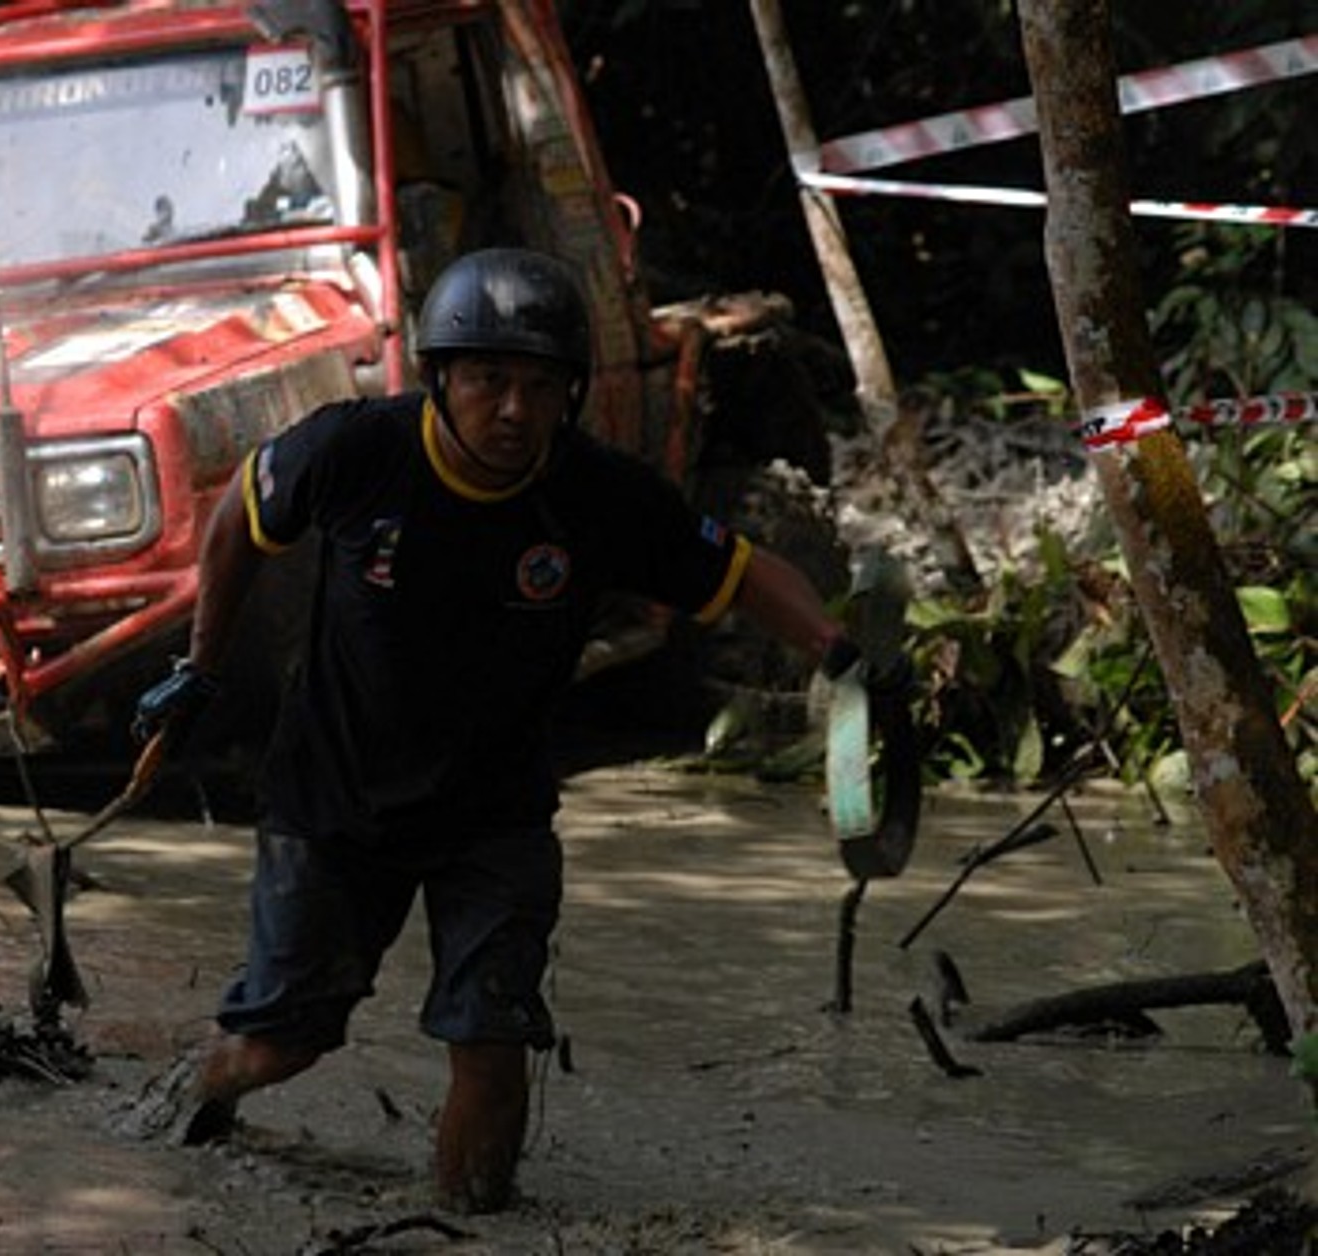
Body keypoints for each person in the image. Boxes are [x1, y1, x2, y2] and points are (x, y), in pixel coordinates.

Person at [122, 247, 876, 1213]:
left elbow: (739, 571)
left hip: (495, 816)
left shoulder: (602, 495)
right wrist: (201, 667)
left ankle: (469, 1226)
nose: (514, 410)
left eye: (539, 387)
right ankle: (195, 1092)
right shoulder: (356, 451)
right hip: (332, 803)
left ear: (568, 395)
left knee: (492, 1035)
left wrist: (835, 649)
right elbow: (239, 515)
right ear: (440, 377)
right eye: (488, 381)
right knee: (284, 1043)